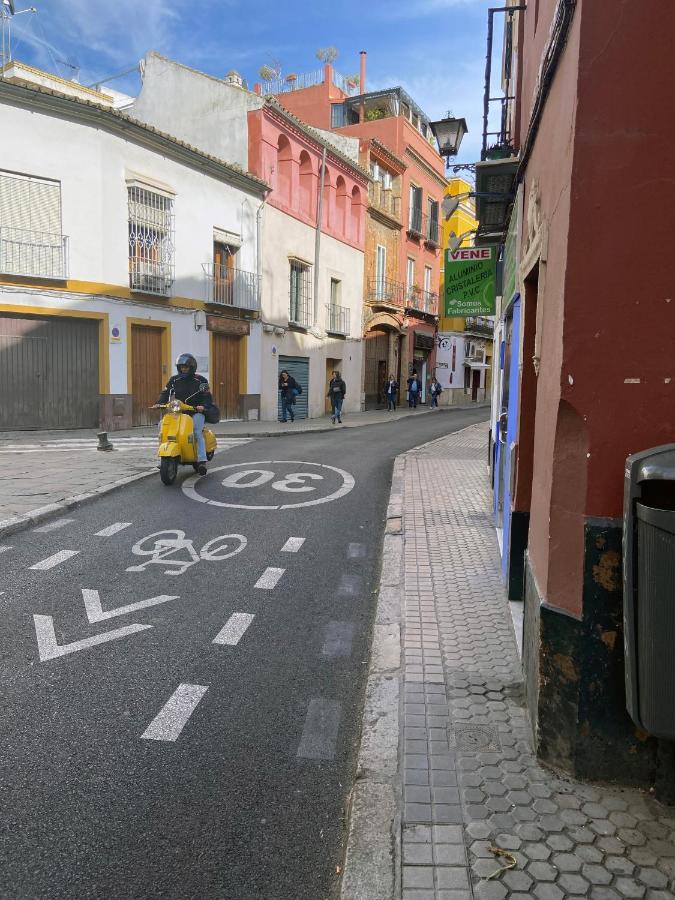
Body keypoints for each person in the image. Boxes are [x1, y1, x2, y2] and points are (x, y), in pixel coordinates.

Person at [158, 353, 212, 476]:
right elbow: (166, 393)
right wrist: (159, 403)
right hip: (179, 412)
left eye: (186, 367)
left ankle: (202, 460)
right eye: (181, 367)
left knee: (197, 431)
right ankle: (164, 458)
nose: (184, 369)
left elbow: (207, 396)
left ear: (192, 367)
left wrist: (203, 406)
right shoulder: (174, 380)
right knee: (163, 427)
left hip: (195, 411)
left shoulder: (200, 380)